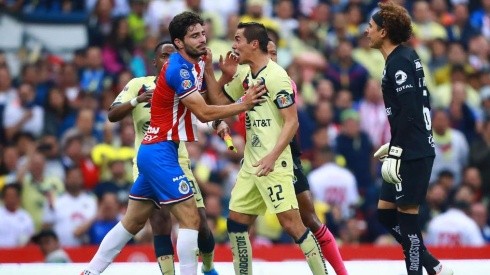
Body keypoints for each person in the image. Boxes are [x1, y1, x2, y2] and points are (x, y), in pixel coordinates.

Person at [82, 12, 266, 275]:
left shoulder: (199, 61)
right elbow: (203, 112)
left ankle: (89, 272)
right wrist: (244, 104)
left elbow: (208, 99)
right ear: (179, 43)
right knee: (191, 218)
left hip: (159, 150)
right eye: (195, 36)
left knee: (132, 222)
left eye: (203, 33)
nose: (203, 39)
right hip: (160, 153)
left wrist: (223, 79)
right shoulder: (179, 68)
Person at [205, 22, 328, 275]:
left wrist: (272, 156)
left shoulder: (276, 76)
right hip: (251, 163)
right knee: (236, 224)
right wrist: (220, 74)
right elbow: (217, 105)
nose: (234, 44)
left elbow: (291, 121)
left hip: (273, 163)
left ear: (254, 44)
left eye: (238, 39)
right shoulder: (245, 76)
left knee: (292, 224)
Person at [106, 40, 219, 275]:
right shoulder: (138, 84)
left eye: (173, 55)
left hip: (179, 162)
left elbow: (203, 107)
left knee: (200, 225)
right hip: (148, 162)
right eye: (164, 56)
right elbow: (112, 114)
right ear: (154, 62)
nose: (169, 60)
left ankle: (208, 267)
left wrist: (218, 122)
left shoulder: (181, 83)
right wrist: (137, 100)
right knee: (159, 222)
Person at [366, 2, 453, 275]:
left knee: (408, 221)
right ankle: (432, 265)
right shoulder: (402, 56)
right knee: (385, 214)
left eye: (370, 27)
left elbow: (412, 111)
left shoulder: (400, 60)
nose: (366, 32)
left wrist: (397, 149)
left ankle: (419, 271)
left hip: (412, 153)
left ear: (383, 31)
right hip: (409, 147)